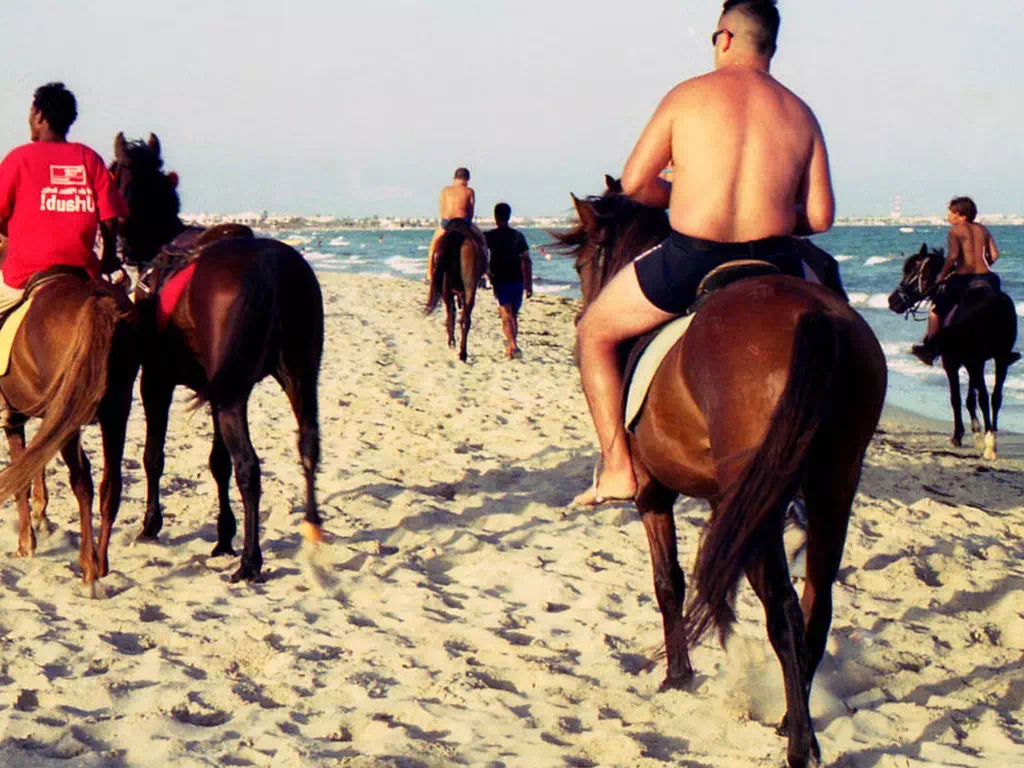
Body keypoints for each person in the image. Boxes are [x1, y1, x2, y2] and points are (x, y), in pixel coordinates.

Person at [572, 0, 835, 506]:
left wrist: (682, 199)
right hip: (777, 260)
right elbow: (821, 218)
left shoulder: (688, 96)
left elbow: (634, 183)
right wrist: (774, 211)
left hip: (693, 258)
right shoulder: (800, 111)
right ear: (772, 47)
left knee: (594, 333)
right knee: (837, 332)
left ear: (725, 38)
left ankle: (618, 469)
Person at [0, 82, 127, 313]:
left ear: (39, 116)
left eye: (31, 112)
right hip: (83, 276)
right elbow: (110, 220)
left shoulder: (18, 159)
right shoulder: (90, 159)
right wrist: (108, 257)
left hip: (24, 276)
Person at [912, 196, 1001, 365]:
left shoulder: (955, 231)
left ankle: (931, 348)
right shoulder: (983, 229)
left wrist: (942, 276)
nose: (948, 216)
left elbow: (952, 256)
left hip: (964, 279)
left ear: (962, 215)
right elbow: (995, 255)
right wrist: (983, 265)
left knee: (936, 309)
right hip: (988, 277)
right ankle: (1005, 350)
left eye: (951, 213)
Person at [484, 202, 533, 359]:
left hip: (500, 280)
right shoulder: (518, 236)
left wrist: (484, 272)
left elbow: (480, 253)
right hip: (517, 280)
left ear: (495, 217)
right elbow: (527, 260)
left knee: (506, 315)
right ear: (509, 216)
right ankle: (511, 346)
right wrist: (529, 285)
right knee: (513, 315)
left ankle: (513, 345)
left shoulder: (490, 236)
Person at [425, 167, 487, 284]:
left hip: (447, 223)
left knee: (433, 246)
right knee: (482, 242)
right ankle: (484, 272)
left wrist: (445, 221)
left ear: (454, 178)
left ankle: (429, 274)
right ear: (467, 179)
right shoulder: (470, 191)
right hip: (464, 223)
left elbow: (442, 210)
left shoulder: (445, 190)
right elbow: (471, 211)